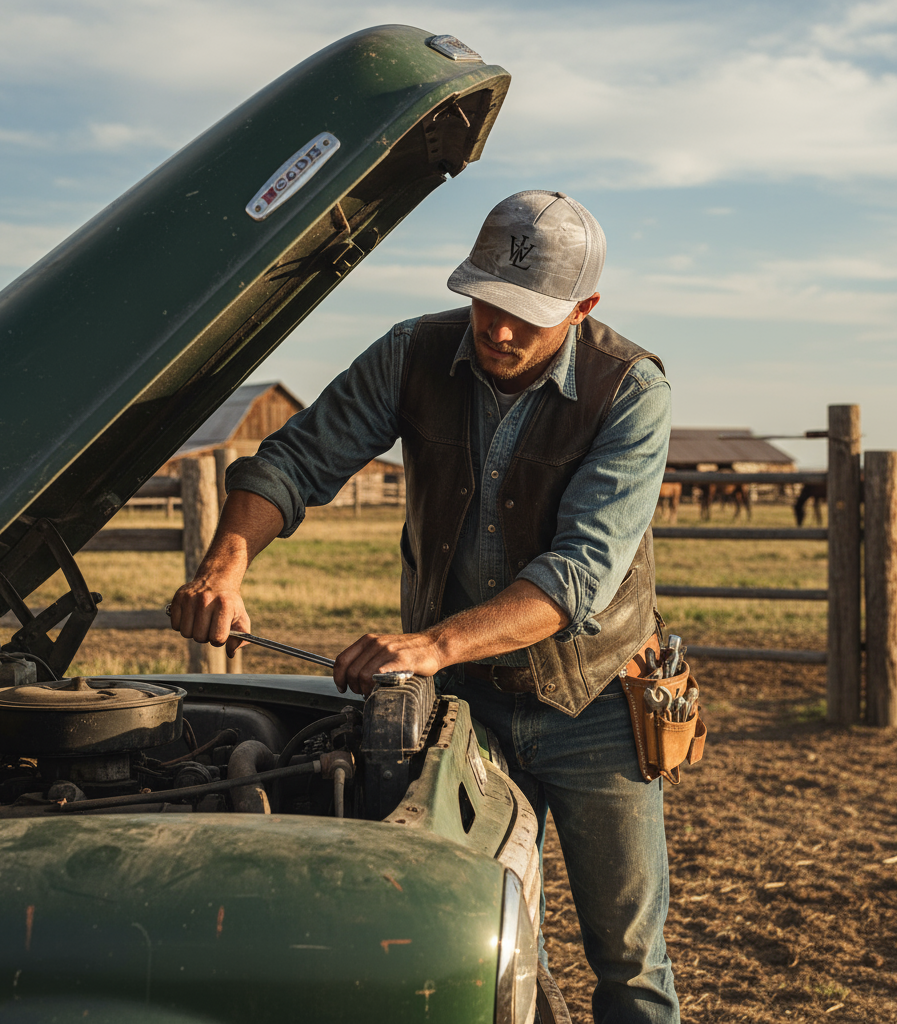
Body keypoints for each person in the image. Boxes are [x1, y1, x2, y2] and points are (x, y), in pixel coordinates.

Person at [169, 190, 677, 1023]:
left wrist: (433, 645)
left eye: (525, 315)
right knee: (491, 940)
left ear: (583, 308)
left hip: (594, 704)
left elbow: (580, 573)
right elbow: (294, 461)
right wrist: (225, 565)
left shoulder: (631, 389)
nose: (498, 330)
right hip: (464, 710)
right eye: (485, 301)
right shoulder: (411, 353)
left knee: (628, 958)